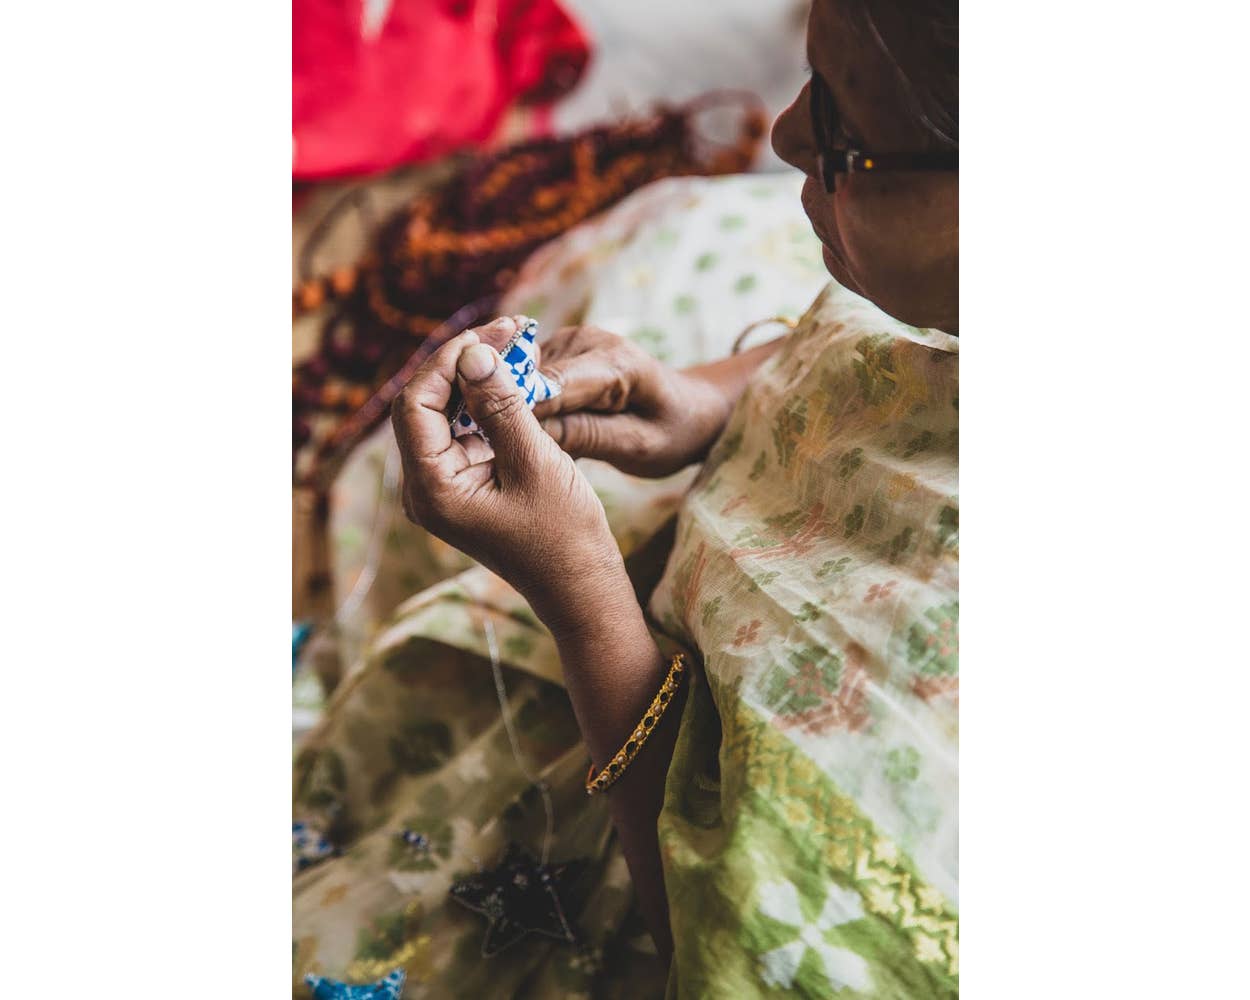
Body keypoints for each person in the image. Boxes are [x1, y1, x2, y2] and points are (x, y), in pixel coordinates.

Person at [294, 0, 957, 995]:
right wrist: (705, 402)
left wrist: (579, 591)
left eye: (846, 140)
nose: (781, 136)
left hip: (644, 872)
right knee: (672, 232)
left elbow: (726, 941)